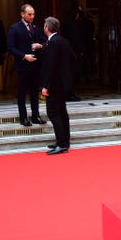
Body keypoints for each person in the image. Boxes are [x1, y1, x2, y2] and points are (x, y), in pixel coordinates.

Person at [7, 4, 46, 127]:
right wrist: (24, 56)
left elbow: (44, 40)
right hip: (23, 65)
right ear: (22, 14)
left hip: (35, 65)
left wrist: (40, 45)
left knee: (35, 92)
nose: (32, 16)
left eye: (33, 14)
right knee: (22, 93)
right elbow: (11, 48)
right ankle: (23, 118)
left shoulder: (35, 28)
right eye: (29, 14)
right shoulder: (14, 28)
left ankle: (36, 116)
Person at [41, 17, 72, 155]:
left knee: (53, 112)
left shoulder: (53, 42)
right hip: (63, 83)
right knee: (62, 112)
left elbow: (51, 66)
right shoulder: (62, 40)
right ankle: (64, 140)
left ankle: (62, 143)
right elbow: (73, 58)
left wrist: (45, 85)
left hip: (54, 84)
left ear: (47, 28)